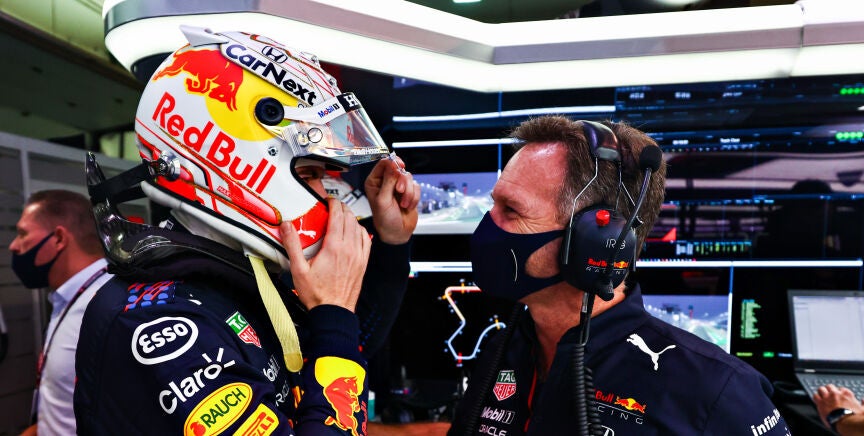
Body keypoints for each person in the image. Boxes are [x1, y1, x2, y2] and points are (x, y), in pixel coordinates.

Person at [73, 26, 418, 435]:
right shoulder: (161, 325)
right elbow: (337, 357)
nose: (328, 197)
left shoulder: (238, 271)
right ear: (238, 160)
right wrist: (335, 310)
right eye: (311, 174)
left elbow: (345, 341)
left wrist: (391, 243)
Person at [444, 116, 790, 434]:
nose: (488, 226)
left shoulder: (718, 390)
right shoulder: (504, 351)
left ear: (595, 242)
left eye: (511, 210)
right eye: (494, 205)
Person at [9, 190, 113, 436]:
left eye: (22, 233)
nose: (13, 245)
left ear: (58, 238)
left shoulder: (107, 306)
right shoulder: (68, 297)